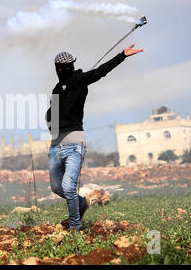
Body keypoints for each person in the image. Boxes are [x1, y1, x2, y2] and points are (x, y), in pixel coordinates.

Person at [45, 44, 143, 230]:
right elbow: (52, 114)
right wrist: (50, 122)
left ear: (72, 65)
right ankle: (81, 203)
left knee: (67, 186)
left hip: (75, 143)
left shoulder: (80, 80)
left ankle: (75, 227)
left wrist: (122, 55)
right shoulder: (57, 89)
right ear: (57, 69)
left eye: (68, 66)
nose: (65, 70)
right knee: (56, 188)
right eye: (61, 67)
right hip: (56, 146)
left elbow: (101, 71)